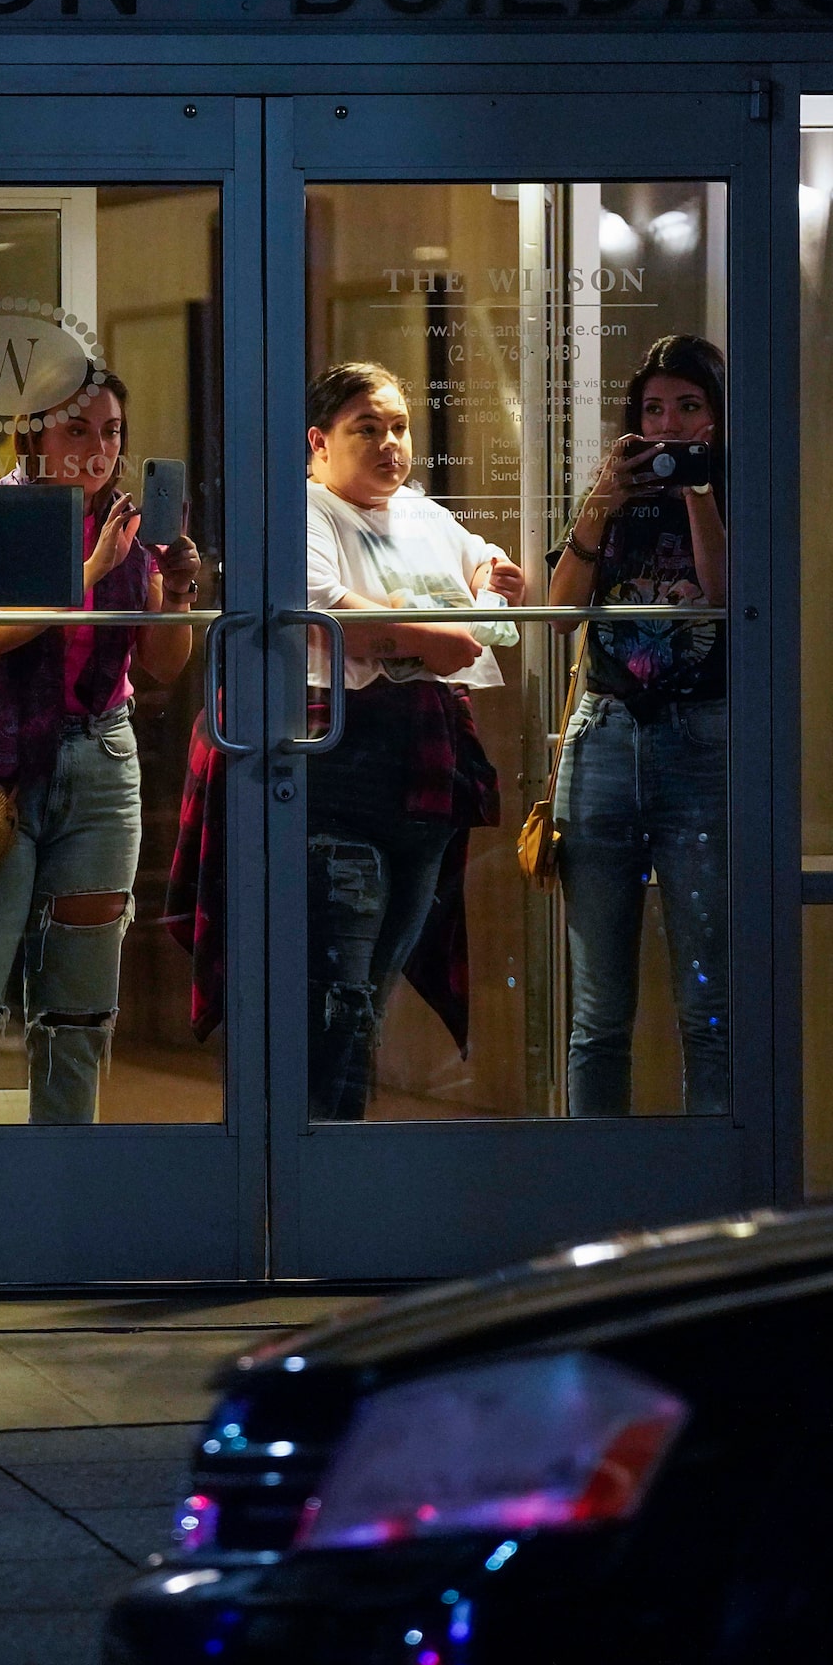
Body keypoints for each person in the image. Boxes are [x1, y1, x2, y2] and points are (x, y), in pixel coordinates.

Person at [0, 374, 200, 1125]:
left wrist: (174, 595)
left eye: (111, 433)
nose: (98, 450)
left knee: (79, 1002)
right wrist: (92, 572)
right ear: (33, 435)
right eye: (77, 431)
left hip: (102, 753)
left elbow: (162, 667)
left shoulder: (131, 528)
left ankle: (65, 1185)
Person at [300, 361, 521, 1122]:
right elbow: (323, 604)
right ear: (318, 443)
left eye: (398, 427)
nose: (390, 443)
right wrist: (427, 635)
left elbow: (487, 571)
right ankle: (319, 1158)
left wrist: (494, 575)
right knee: (341, 992)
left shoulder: (423, 513)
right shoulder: (307, 510)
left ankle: (337, 1149)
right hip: (342, 769)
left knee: (375, 991)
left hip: (426, 772)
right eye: (366, 427)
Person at [545, 331, 731, 1117]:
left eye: (688, 408)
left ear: (717, 416)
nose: (668, 427)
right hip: (605, 740)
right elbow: (556, 615)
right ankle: (596, 1186)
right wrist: (599, 505)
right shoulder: (611, 500)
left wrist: (696, 492)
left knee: (709, 1006)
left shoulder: (737, 489)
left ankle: (717, 1191)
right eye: (653, 410)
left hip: (702, 743)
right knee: (596, 1015)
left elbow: (730, 604)